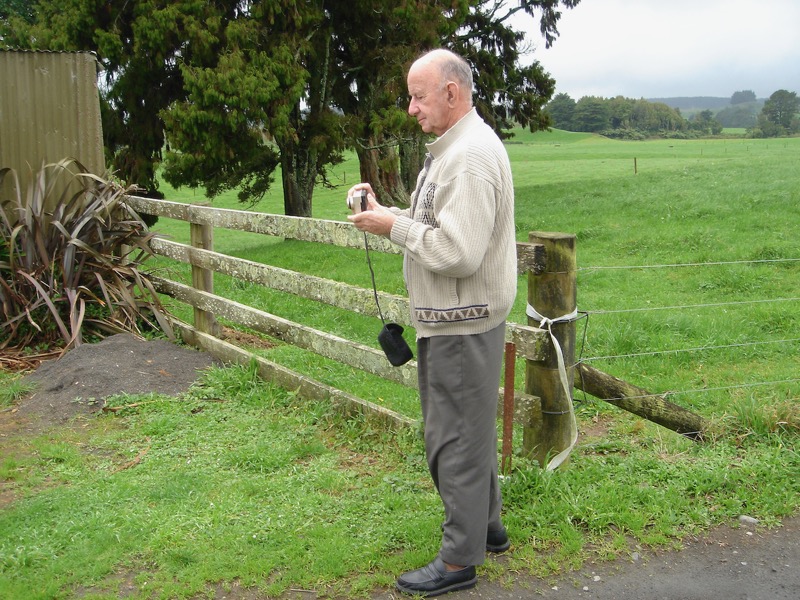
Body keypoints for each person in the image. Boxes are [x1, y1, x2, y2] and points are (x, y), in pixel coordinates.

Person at [347, 48, 518, 597]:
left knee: (452, 441)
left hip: (459, 324)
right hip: (462, 320)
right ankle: (487, 528)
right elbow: (435, 223)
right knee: (470, 431)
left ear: (451, 91)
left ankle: (457, 561)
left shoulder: (467, 156)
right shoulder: (456, 149)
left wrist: (391, 230)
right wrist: (388, 215)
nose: (411, 108)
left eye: (418, 96)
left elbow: (459, 252)